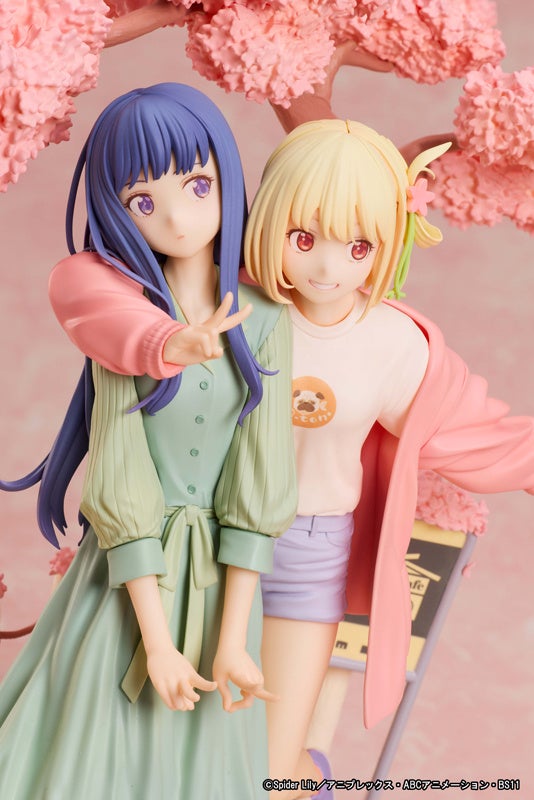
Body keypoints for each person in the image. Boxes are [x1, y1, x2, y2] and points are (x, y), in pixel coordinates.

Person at [48, 119, 534, 800]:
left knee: (270, 765)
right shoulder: (228, 304)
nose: (328, 270)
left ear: (388, 242)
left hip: (309, 547)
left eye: (358, 247)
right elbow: (91, 289)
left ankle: (308, 780)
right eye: (303, 239)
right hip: (206, 543)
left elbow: (477, 434)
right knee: (186, 747)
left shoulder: (394, 344)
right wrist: (163, 340)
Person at [0, 83, 296, 800]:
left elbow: (258, 482)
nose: (176, 217)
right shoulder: (122, 323)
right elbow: (121, 474)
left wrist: (233, 640)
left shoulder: (263, 317)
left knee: (205, 763)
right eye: (142, 200)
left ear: (226, 177)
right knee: (90, 754)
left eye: (197, 185)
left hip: (223, 583)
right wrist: (157, 644)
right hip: (126, 582)